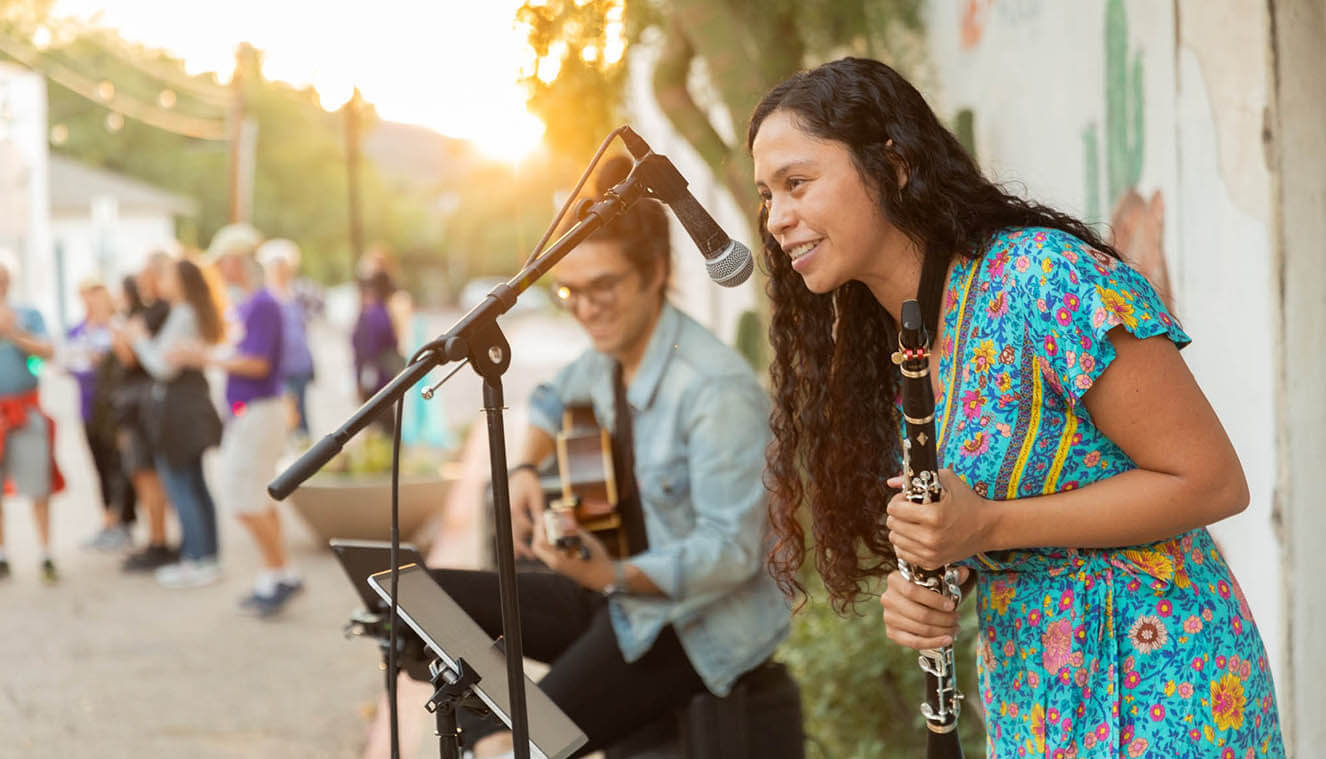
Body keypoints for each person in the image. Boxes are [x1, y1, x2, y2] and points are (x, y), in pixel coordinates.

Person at [749, 58, 1285, 757]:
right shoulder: (894, 342)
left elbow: (1212, 481)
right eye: (766, 196)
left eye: (797, 183)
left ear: (895, 165)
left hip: (1166, 683)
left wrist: (988, 525)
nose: (777, 218)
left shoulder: (1043, 276)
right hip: (1036, 692)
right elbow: (995, 514)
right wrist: (939, 577)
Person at [430, 156, 790, 758]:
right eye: (570, 291)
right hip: (615, 585)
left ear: (656, 272)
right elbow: (551, 399)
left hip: (689, 625)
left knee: (509, 746)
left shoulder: (715, 391)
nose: (585, 307)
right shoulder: (606, 357)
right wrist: (525, 470)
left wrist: (609, 577)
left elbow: (730, 553)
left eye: (604, 287)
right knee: (426, 600)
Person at [174, 224, 298, 617]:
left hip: (257, 410)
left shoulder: (262, 303)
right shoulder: (250, 303)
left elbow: (258, 364)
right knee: (258, 497)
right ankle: (278, 573)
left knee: (244, 500)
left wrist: (205, 358)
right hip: (251, 411)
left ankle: (278, 573)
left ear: (236, 261)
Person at [128, 256, 225, 588]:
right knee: (196, 484)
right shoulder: (193, 312)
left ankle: (195, 559)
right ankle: (208, 557)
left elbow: (162, 366)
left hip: (177, 411)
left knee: (182, 486)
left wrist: (139, 338)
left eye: (167, 276)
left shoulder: (183, 313)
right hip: (191, 408)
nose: (162, 282)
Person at [0, 258, 61, 583]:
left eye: (2, 280)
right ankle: (0, 554)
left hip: (25, 410)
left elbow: (47, 352)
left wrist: (14, 331)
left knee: (38, 483)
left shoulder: (29, 314)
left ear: (9, 282)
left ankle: (46, 554)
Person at [114, 260, 178, 572]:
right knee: (141, 474)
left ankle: (159, 541)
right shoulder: (146, 314)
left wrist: (122, 335)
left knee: (149, 474)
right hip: (133, 405)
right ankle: (155, 538)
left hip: (143, 405)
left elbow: (128, 356)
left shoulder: (160, 311)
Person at [65, 277, 135, 551]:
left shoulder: (117, 326)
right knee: (101, 466)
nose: (91, 299)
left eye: (95, 293)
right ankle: (108, 521)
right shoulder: (77, 330)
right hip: (88, 407)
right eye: (86, 294)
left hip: (116, 408)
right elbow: (66, 361)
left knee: (120, 465)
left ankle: (123, 523)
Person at [257, 239, 316, 443]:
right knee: (285, 415)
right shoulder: (266, 298)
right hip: (279, 367)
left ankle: (304, 447)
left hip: (299, 363)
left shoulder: (297, 294)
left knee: (301, 413)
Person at [351, 268, 401, 434]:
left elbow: (365, 350)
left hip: (374, 375)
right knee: (385, 420)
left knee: (376, 423)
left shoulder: (371, 314)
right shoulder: (384, 311)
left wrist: (358, 377)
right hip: (384, 374)